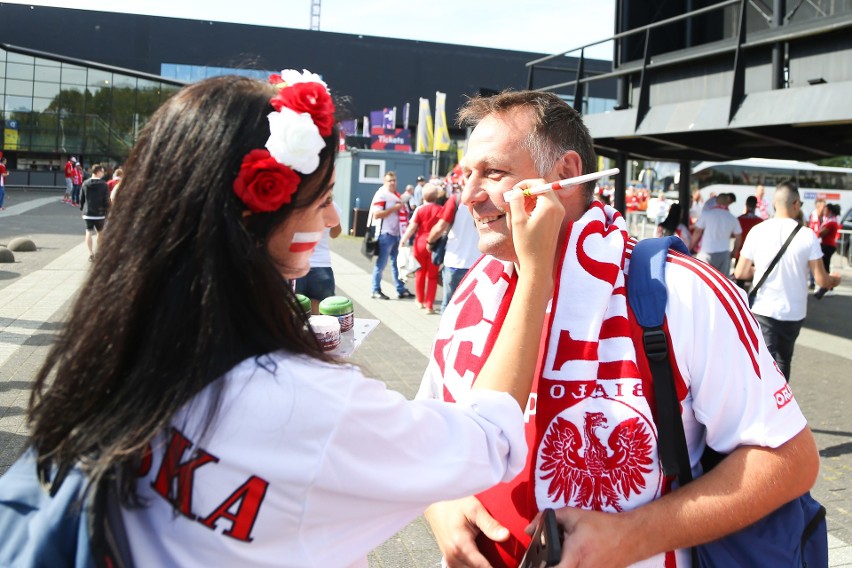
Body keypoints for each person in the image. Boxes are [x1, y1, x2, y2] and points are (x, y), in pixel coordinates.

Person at [23, 72, 567, 567]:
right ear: (257, 213)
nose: (334, 220)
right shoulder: (299, 403)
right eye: (323, 199)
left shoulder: (125, 337)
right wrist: (536, 273)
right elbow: (487, 438)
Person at [418, 90, 819, 567]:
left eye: (494, 172)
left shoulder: (682, 292)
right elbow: (429, 432)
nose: (467, 196)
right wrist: (436, 504)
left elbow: (791, 459)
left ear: (566, 174)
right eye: (467, 175)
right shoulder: (471, 291)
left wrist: (634, 535)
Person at [735, 182, 841, 381]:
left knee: (763, 364)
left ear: (775, 203)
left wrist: (759, 270)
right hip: (794, 311)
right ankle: (781, 404)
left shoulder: (758, 231)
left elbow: (740, 272)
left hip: (763, 309)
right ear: (796, 203)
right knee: (784, 362)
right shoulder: (807, 235)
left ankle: (763, 405)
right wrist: (834, 279)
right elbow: (820, 278)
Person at [428, 183, 482, 313]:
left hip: (455, 261)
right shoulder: (486, 200)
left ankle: (445, 333)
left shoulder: (456, 199)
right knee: (471, 309)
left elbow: (440, 227)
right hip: (478, 263)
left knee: (449, 305)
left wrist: (430, 242)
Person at [369, 171, 415, 300]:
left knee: (397, 264)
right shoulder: (382, 195)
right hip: (385, 234)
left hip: (396, 234)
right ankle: (375, 289)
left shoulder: (395, 195)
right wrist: (394, 208)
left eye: (394, 180)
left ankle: (400, 289)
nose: (393, 183)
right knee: (381, 264)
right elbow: (376, 215)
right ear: (385, 182)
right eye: (390, 180)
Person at [400, 183, 443, 313]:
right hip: (435, 245)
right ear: (436, 197)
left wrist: (403, 240)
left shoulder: (419, 209)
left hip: (420, 243)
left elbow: (412, 227)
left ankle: (419, 300)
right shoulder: (441, 209)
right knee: (433, 276)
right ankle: (429, 305)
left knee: (420, 273)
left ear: (423, 196)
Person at [294, 201, 342, 313]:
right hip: (322, 266)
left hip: (295, 266)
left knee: (294, 316)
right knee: (320, 320)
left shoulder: (296, 202)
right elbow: (335, 233)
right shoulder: (331, 204)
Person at [690, 192, 742, 276]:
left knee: (703, 281)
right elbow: (738, 237)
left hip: (706, 252)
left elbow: (697, 232)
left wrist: (690, 246)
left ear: (717, 201)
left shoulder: (707, 214)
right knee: (722, 284)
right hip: (724, 253)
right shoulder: (732, 218)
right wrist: (734, 251)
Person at [79, 163, 110, 262]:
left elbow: (81, 198)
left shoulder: (85, 183)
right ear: (98, 172)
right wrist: (107, 211)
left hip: (88, 213)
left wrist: (82, 208)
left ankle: (90, 253)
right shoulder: (104, 184)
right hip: (100, 214)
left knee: (88, 231)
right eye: (102, 171)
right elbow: (106, 200)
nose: (103, 173)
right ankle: (98, 252)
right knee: (100, 232)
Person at [734, 195, 764, 289]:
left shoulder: (739, 219)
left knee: (739, 284)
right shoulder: (760, 221)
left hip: (740, 254)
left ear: (746, 205)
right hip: (756, 255)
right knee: (755, 282)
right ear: (756, 206)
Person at [815, 203, 841, 297]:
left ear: (829, 211)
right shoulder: (829, 221)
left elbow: (821, 233)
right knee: (825, 267)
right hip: (827, 245)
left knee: (825, 267)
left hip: (827, 246)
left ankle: (828, 287)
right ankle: (826, 286)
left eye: (825, 210)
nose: (823, 211)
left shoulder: (831, 222)